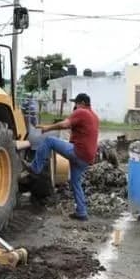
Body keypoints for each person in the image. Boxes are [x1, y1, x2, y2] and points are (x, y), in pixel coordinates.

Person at [28, 93, 99, 221]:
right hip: (87, 158)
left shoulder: (82, 112)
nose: (75, 106)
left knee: (49, 141)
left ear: (82, 103)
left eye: (76, 103)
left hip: (78, 152)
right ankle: (82, 213)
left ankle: (35, 168)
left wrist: (48, 128)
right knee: (75, 182)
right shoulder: (94, 116)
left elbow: (65, 124)